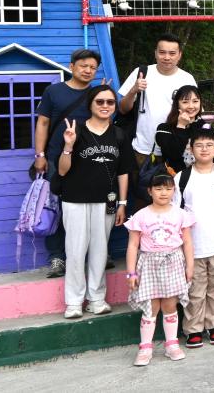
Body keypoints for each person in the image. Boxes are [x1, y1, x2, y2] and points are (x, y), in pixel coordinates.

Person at [57, 86, 132, 319]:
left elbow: (124, 171)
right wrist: (68, 146)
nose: (105, 106)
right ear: (90, 104)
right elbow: (62, 171)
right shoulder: (75, 130)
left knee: (100, 251)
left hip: (106, 201)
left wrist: (122, 202)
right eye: (100, 101)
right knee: (75, 251)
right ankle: (73, 302)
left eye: (110, 102)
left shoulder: (118, 134)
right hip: (75, 199)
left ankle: (97, 299)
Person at [33, 48, 102, 279]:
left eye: (92, 67)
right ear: (71, 67)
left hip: (90, 159)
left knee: (91, 208)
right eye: (83, 66)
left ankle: (96, 255)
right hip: (56, 158)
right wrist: (39, 155)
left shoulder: (96, 94)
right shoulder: (54, 91)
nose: (88, 70)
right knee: (56, 208)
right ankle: (56, 257)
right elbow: (43, 123)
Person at [171, 126, 214, 348]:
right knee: (194, 290)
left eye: (209, 145)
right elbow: (174, 212)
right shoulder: (182, 177)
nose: (204, 149)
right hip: (193, 245)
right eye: (199, 145)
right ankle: (193, 330)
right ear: (191, 149)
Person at [124, 170, 195, 366]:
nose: (164, 193)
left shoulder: (181, 214)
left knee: (170, 305)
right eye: (158, 189)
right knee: (151, 306)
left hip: (174, 263)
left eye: (168, 189)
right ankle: (145, 348)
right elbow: (133, 246)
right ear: (150, 191)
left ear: (174, 191)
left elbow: (188, 242)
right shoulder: (141, 215)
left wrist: (190, 266)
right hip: (149, 265)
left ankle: (171, 345)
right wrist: (131, 273)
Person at [119, 33, 197, 174]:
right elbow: (123, 109)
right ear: (155, 53)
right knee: (140, 187)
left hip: (175, 151)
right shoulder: (141, 73)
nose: (167, 57)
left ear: (179, 55)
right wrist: (133, 90)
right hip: (142, 150)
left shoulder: (187, 79)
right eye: (162, 52)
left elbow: (196, 112)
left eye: (172, 53)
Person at [154, 85, 203, 177]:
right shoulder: (164, 129)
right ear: (177, 104)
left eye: (195, 101)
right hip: (173, 180)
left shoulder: (205, 128)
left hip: (201, 178)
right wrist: (181, 126)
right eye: (185, 102)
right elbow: (173, 155)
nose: (191, 106)